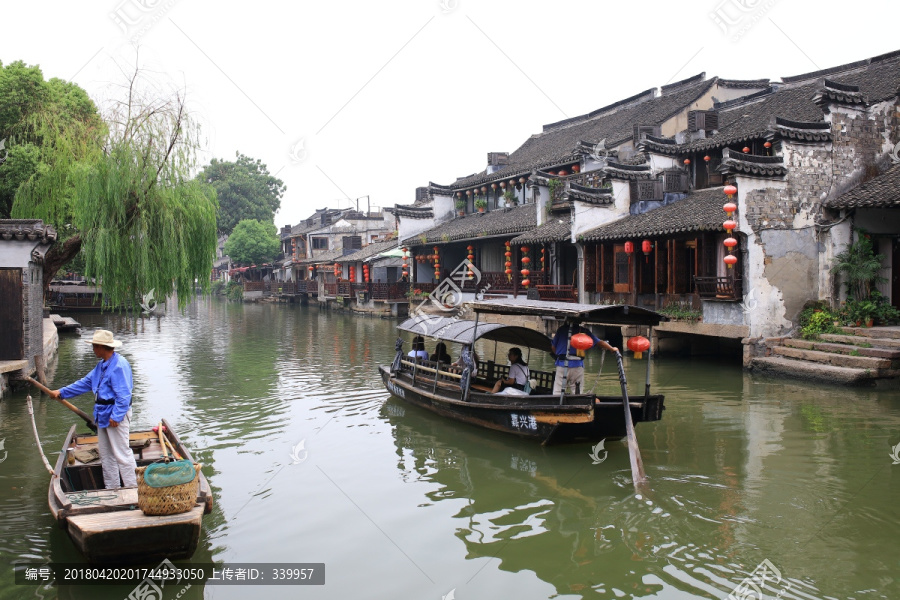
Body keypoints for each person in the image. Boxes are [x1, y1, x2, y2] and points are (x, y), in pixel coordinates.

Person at [49, 330, 136, 489]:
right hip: (102, 415)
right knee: (106, 455)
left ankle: (133, 488)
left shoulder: (120, 365)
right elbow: (84, 383)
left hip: (115, 415)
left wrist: (116, 417)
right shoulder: (101, 366)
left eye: (95, 346)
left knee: (122, 454)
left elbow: (124, 396)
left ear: (102, 347)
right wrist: (61, 392)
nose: (93, 349)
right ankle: (112, 489)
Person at [551, 323, 618, 395]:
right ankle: (577, 405)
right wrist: (611, 348)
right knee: (577, 392)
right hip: (577, 365)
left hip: (562, 364)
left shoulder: (561, 329)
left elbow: (553, 347)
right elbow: (599, 343)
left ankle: (558, 404)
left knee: (558, 392)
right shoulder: (584, 331)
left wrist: (559, 356)